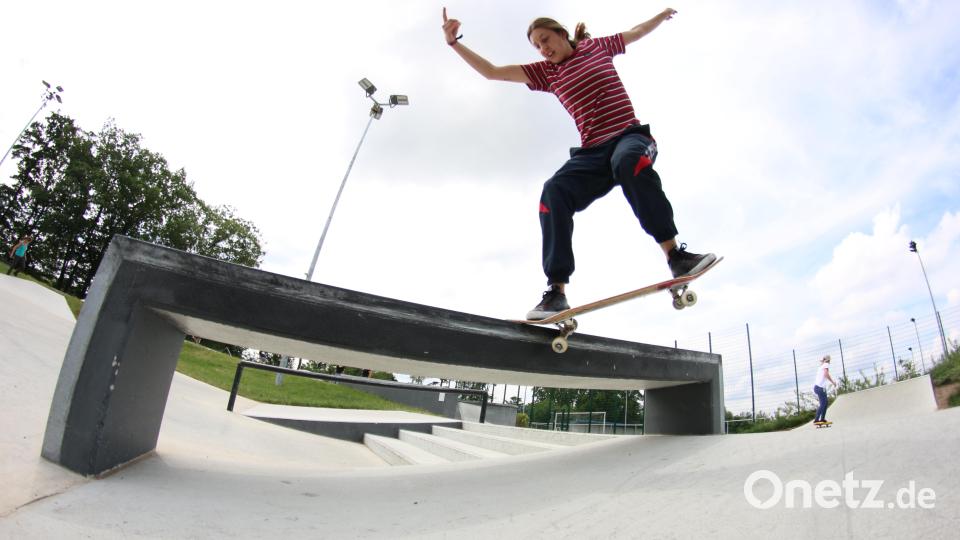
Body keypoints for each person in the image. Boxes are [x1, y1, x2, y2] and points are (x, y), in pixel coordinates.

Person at [442, 7, 717, 320]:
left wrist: (660, 15)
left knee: (629, 163)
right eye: (537, 46)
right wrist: (454, 43)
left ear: (562, 34)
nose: (543, 49)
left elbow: (637, 31)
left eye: (546, 40)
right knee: (553, 192)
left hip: (629, 137)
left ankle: (676, 256)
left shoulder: (596, 47)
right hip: (592, 154)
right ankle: (556, 292)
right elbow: (492, 71)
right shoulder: (546, 73)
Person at [813, 355, 837, 425]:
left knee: (825, 403)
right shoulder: (826, 364)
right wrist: (833, 382)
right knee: (823, 403)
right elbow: (826, 374)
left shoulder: (821, 365)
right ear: (828, 360)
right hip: (820, 388)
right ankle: (816, 419)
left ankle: (822, 419)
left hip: (818, 388)